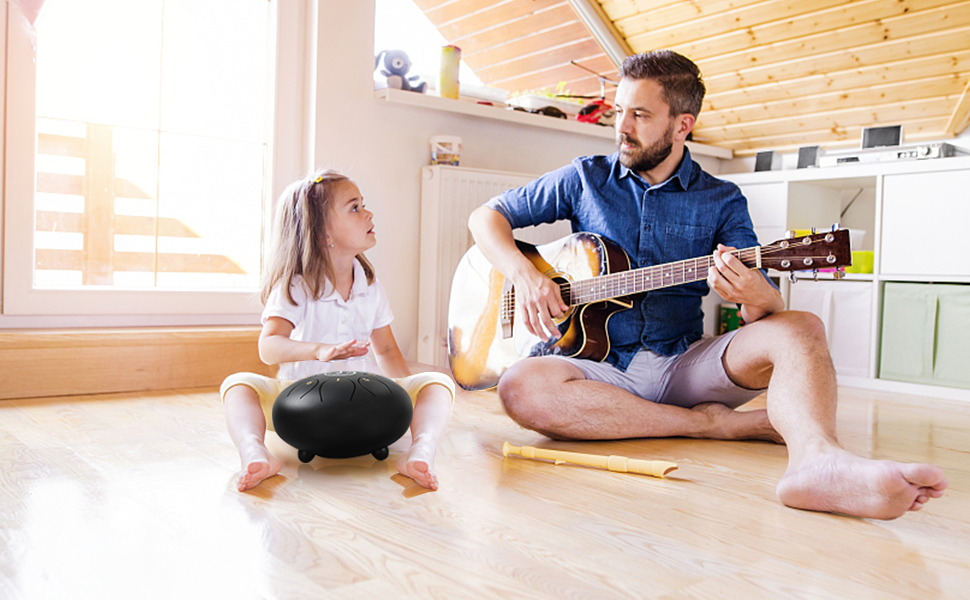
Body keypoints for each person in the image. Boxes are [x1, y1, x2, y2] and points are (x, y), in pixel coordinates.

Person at [467, 49, 947, 520]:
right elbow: (486, 217)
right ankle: (711, 425)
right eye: (620, 111)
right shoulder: (584, 178)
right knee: (520, 388)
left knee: (800, 326)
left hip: (683, 363)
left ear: (682, 125)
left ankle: (818, 463)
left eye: (639, 114)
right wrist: (524, 274)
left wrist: (755, 296)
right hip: (598, 369)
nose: (622, 127)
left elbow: (761, 310)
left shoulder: (722, 199)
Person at [222, 169, 454, 492]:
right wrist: (318, 350)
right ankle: (254, 453)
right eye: (354, 207)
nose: (368, 213)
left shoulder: (370, 286)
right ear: (322, 234)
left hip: (363, 411)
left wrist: (407, 396)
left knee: (438, 383)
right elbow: (269, 346)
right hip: (300, 410)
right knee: (237, 385)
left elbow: (386, 352)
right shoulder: (297, 285)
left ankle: (421, 452)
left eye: (363, 205)